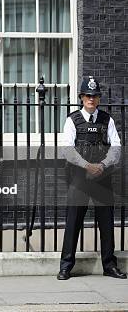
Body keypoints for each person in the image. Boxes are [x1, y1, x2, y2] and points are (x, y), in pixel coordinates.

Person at [58, 76, 125, 280]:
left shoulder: (107, 120)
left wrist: (102, 165)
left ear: (98, 98)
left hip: (102, 175)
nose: (91, 99)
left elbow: (116, 147)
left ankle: (109, 265)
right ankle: (66, 266)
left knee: (106, 222)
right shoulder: (72, 120)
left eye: (95, 96)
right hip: (80, 176)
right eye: (88, 95)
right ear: (81, 97)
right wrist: (88, 165)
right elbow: (67, 150)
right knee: (73, 222)